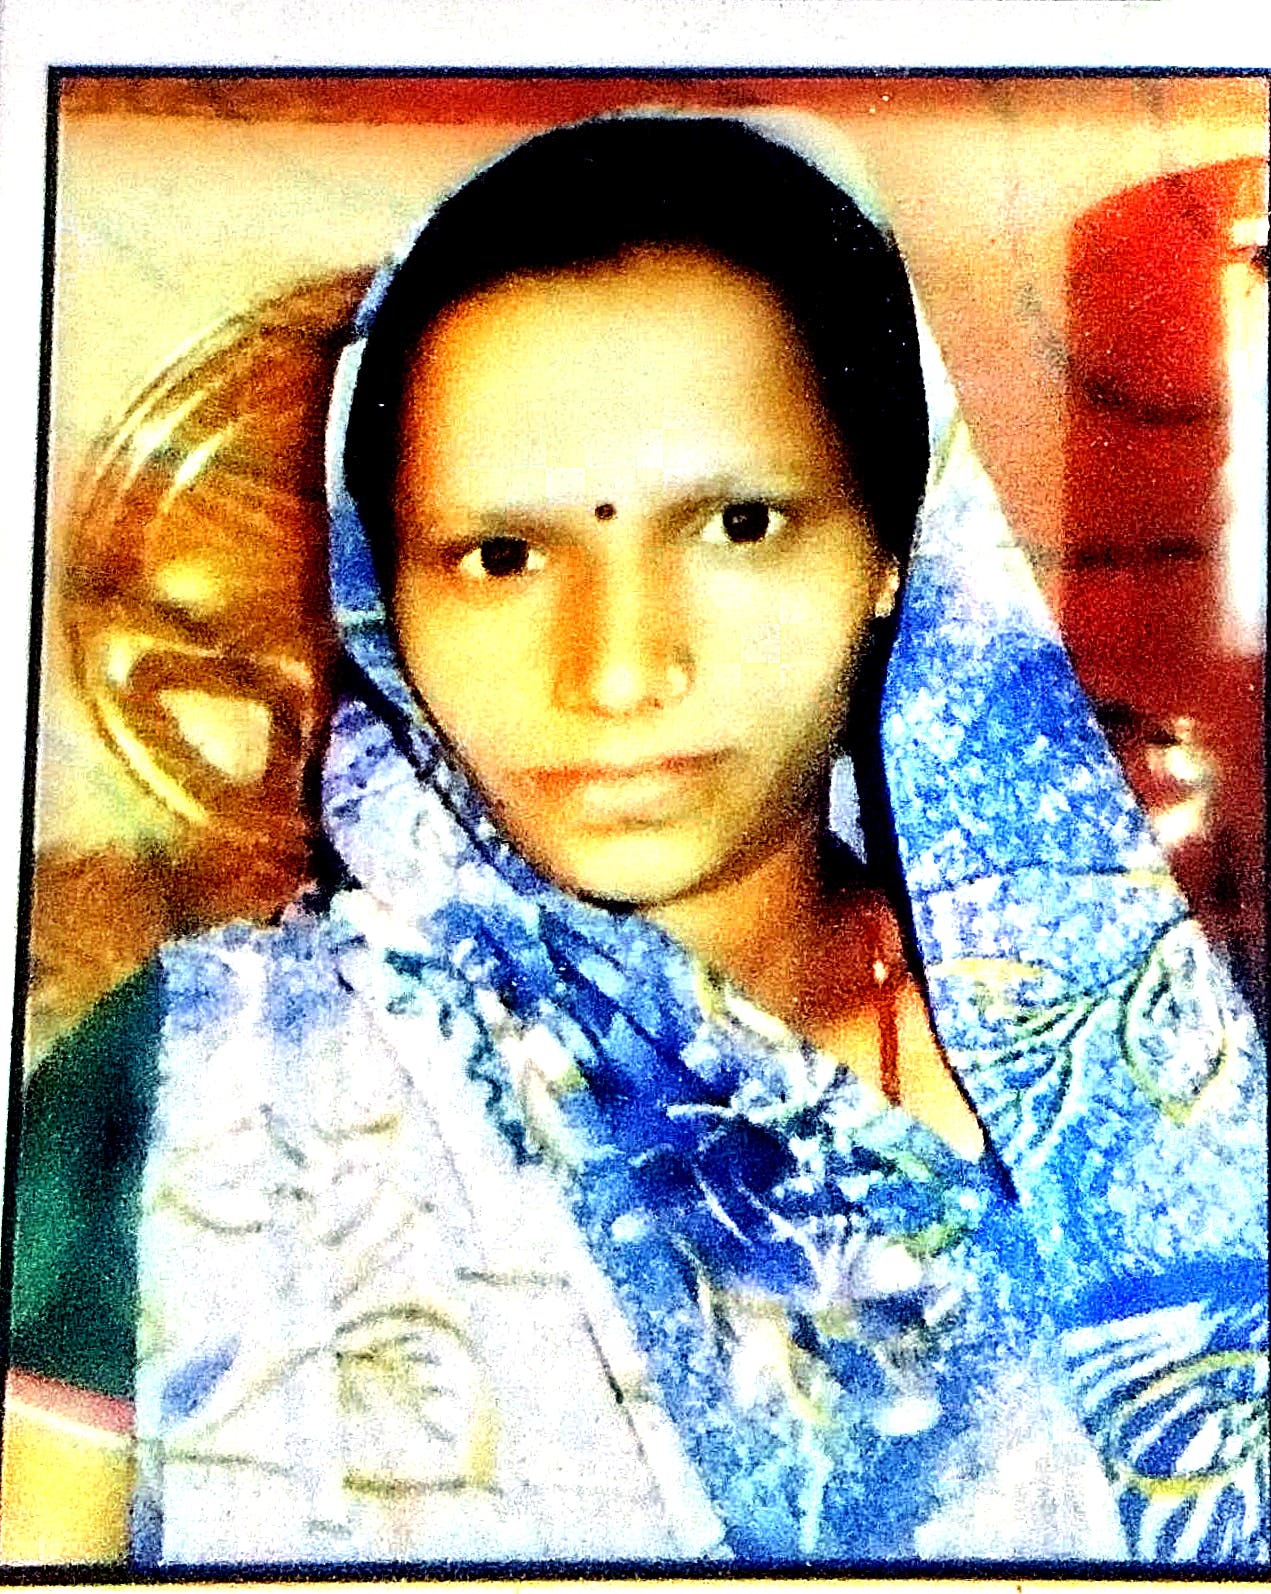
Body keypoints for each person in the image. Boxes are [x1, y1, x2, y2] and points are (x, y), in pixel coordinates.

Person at [7, 114, 1266, 1567]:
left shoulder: (1134, 1105)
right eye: (499, 555)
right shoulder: (194, 1093)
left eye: (738, 524)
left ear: (893, 550)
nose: (616, 671)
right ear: (381, 595)